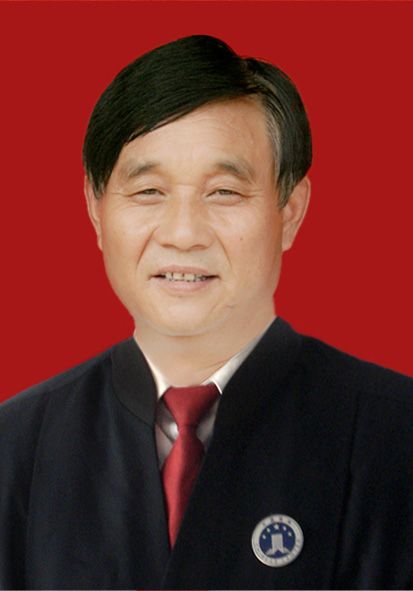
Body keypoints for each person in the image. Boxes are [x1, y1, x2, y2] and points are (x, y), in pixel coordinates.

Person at [0, 35, 412, 591]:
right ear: (96, 210)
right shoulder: (16, 447)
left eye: (223, 192)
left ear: (290, 211)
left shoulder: (396, 435)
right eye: (148, 191)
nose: (183, 233)